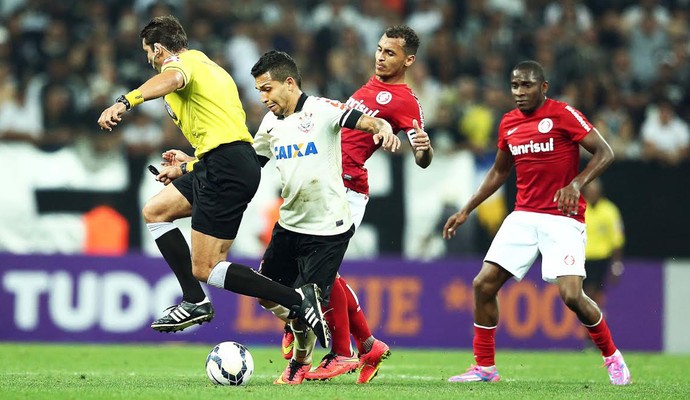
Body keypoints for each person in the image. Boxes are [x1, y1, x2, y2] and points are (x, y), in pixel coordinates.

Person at [96, 15, 329, 348]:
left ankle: (295, 300)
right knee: (156, 211)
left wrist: (125, 101)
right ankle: (195, 299)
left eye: (149, 52)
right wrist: (190, 166)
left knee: (206, 267)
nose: (149, 60)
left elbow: (173, 77)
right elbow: (223, 133)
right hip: (224, 162)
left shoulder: (180, 65)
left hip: (227, 166)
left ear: (159, 49)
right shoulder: (209, 66)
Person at [442, 60, 631, 385]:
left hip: (562, 217)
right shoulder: (509, 123)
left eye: (527, 85)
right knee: (482, 285)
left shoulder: (563, 114)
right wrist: (467, 209)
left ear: (543, 87)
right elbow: (500, 172)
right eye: (515, 85)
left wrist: (576, 184)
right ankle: (485, 368)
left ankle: (612, 357)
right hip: (524, 216)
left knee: (572, 295)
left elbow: (605, 152)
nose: (519, 92)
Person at [281, 25, 434, 384]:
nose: (380, 56)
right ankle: (366, 344)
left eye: (390, 53)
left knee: (318, 270)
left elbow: (421, 154)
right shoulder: (370, 85)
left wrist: (424, 149)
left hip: (348, 188)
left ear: (408, 60)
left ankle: (339, 349)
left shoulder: (405, 100)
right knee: (314, 268)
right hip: (327, 182)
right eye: (379, 49)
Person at [249, 50, 401, 385]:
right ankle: (313, 329)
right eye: (259, 90)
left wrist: (382, 127)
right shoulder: (270, 123)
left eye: (267, 89)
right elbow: (249, 163)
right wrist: (195, 166)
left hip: (328, 227)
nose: (263, 98)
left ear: (289, 83)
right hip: (289, 223)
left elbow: (361, 119)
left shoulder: (322, 110)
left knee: (310, 300)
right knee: (265, 293)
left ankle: (302, 364)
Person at [582, 178, 625, 312]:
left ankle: (595, 320)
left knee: (593, 292)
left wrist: (616, 265)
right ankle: (593, 321)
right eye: (589, 191)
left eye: (595, 191)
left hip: (601, 260)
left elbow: (617, 240)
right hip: (582, 260)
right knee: (583, 296)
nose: (592, 194)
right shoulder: (580, 209)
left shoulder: (610, 211)